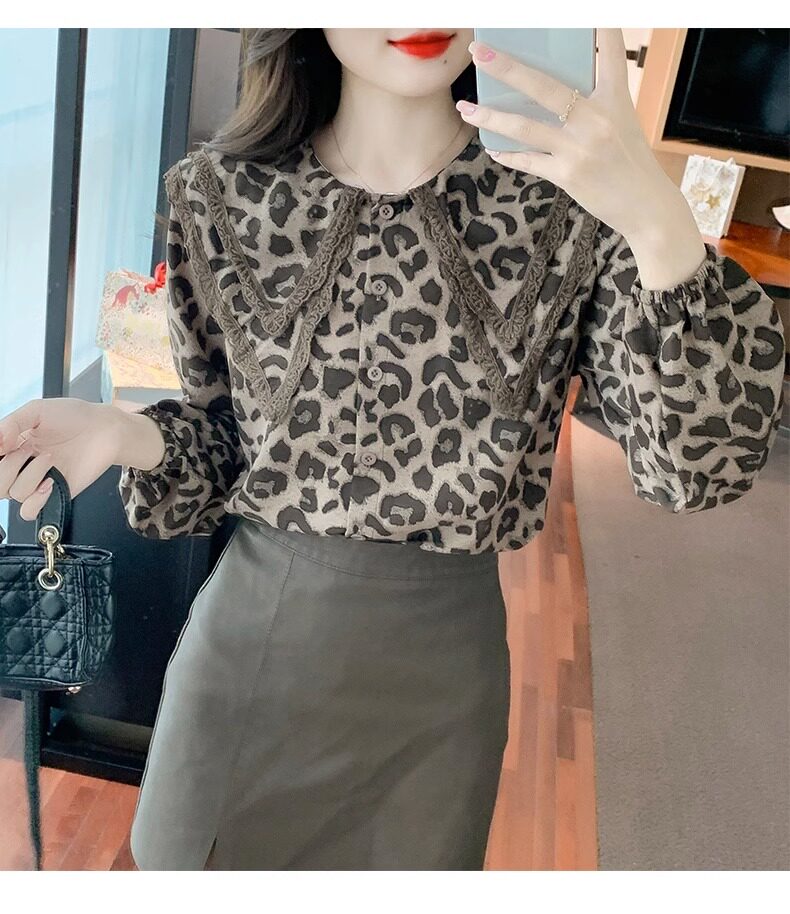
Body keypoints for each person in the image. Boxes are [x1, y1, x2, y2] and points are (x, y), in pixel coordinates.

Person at [0, 28, 785, 871]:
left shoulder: (567, 210)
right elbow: (226, 442)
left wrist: (657, 220)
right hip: (249, 665)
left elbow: (695, 469)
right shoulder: (223, 195)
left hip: (441, 692)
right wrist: (125, 433)